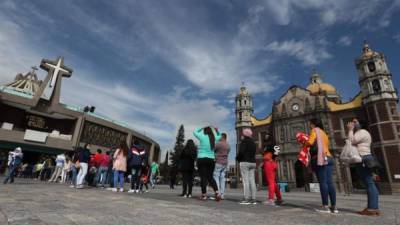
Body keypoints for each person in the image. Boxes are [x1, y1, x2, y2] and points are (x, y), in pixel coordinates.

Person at [304, 118, 338, 214]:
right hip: (329, 157)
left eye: (310, 124)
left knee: (323, 182)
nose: (310, 125)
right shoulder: (324, 133)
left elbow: (310, 142)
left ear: (313, 124)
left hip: (320, 158)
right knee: (330, 182)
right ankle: (334, 207)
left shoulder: (314, 130)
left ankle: (325, 206)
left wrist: (304, 143)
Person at [347, 119, 380, 216]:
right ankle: (373, 207)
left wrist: (350, 130)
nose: (353, 123)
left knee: (369, 183)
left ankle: (372, 208)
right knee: (370, 183)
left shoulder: (362, 132)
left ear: (361, 124)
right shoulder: (364, 133)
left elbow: (351, 141)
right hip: (365, 157)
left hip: (363, 158)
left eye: (355, 121)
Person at [193, 126, 222, 201]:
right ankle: (217, 192)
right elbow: (220, 136)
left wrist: (202, 127)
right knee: (210, 177)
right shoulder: (214, 138)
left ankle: (204, 195)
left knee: (203, 177)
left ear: (205, 131)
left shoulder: (202, 136)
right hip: (211, 159)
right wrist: (217, 130)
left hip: (202, 158)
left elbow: (195, 132)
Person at [236, 128, 257, 205]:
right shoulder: (253, 142)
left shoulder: (244, 141)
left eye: (243, 134)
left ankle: (246, 198)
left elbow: (241, 152)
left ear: (245, 135)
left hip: (245, 162)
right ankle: (254, 199)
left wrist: (237, 158)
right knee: (252, 181)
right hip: (253, 162)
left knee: (245, 181)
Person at [213, 133, 230, 200]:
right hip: (225, 163)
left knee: (216, 177)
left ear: (222, 137)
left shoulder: (218, 143)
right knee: (222, 178)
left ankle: (218, 194)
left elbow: (213, 150)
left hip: (218, 162)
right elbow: (227, 153)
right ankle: (222, 194)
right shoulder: (228, 145)